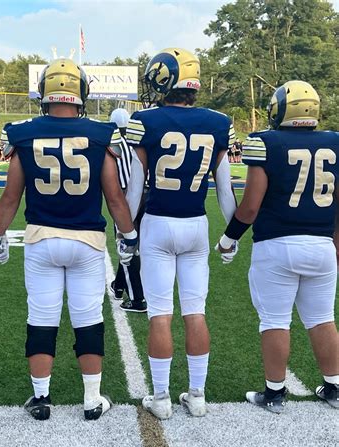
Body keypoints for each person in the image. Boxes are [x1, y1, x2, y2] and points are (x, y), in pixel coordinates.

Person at [0, 58, 137, 421]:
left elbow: (10, 197)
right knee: (88, 318)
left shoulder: (23, 134)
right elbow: (115, 198)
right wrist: (130, 236)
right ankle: (91, 399)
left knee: (41, 317)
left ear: (44, 92)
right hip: (87, 241)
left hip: (42, 239)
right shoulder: (101, 134)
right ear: (81, 93)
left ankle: (41, 397)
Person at [125, 48, 237, 419]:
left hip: (157, 224)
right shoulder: (218, 122)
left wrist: (126, 232)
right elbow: (224, 189)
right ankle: (197, 396)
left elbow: (136, 188)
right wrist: (233, 234)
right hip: (196, 225)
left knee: (160, 314)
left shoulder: (146, 120)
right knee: (195, 312)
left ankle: (161, 399)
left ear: (164, 80)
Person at [216, 80, 338, 412]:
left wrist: (228, 239)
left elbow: (250, 207)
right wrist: (335, 244)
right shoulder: (334, 142)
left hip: (277, 246)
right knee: (322, 318)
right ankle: (334, 388)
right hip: (322, 246)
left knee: (274, 320)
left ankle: (275, 393)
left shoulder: (266, 142)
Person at [109, 108, 147, 313]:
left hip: (126, 198)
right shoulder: (138, 141)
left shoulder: (115, 143)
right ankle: (118, 285)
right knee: (131, 246)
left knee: (126, 245)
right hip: (148, 197)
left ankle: (137, 298)